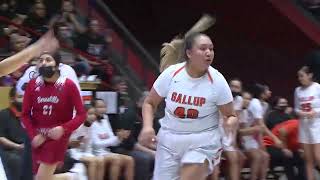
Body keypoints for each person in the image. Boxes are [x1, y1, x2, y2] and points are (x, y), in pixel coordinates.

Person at [139, 32, 238, 180]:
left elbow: (231, 115)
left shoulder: (217, 81)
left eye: (211, 49)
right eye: (203, 48)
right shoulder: (172, 74)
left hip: (203, 141)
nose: (208, 53)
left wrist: (229, 123)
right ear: (189, 53)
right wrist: (147, 126)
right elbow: (149, 103)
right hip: (169, 139)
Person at [21, 52, 86, 180]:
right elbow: (25, 114)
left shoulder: (68, 85)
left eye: (48, 60)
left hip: (57, 138)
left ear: (57, 66)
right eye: (40, 60)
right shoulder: (33, 85)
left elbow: (81, 114)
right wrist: (33, 135)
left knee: (41, 178)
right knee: (39, 177)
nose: (43, 63)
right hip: (38, 136)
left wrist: (64, 128)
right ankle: (71, 177)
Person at [91, 98, 135, 180]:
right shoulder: (91, 121)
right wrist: (114, 139)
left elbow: (113, 141)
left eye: (104, 107)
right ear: (93, 108)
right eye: (99, 107)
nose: (102, 109)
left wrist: (120, 138)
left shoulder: (105, 119)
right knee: (116, 159)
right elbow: (96, 144)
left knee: (130, 160)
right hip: (96, 153)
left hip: (106, 151)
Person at [294, 66, 320, 180]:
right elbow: (296, 108)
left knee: (318, 157)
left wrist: (316, 112)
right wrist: (301, 113)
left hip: (316, 125)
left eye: (302, 76)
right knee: (308, 159)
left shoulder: (317, 87)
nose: (300, 78)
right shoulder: (298, 90)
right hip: (304, 126)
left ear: (310, 75)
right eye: (298, 76)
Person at [69, 105, 105, 180]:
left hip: (83, 153)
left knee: (100, 160)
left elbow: (88, 147)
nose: (93, 116)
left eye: (94, 114)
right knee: (93, 161)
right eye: (90, 114)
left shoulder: (91, 126)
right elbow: (70, 145)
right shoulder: (76, 125)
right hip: (72, 153)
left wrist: (90, 155)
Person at [0, 87, 25, 180]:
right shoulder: (3, 114)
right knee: (16, 160)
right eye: (20, 97)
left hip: (28, 149)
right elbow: (1, 137)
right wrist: (17, 146)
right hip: (10, 150)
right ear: (11, 99)